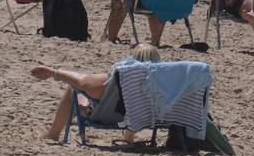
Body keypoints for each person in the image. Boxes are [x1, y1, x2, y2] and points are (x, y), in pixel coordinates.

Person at [29, 43, 160, 142]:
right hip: (145, 117)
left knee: (72, 89)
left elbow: (82, 82)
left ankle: (53, 134)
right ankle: (128, 138)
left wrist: (53, 72)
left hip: (108, 117)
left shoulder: (118, 79)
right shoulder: (162, 85)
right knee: (134, 103)